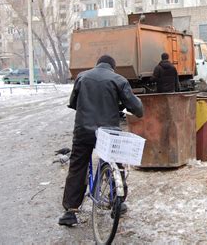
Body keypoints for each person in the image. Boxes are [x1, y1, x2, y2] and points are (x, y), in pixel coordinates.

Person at [58, 55, 143, 227]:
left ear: (97, 65)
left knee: (78, 166)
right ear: (113, 67)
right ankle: (118, 201)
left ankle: (70, 211)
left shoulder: (82, 77)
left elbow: (73, 103)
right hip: (108, 133)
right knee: (114, 161)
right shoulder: (118, 80)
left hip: (83, 131)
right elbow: (137, 109)